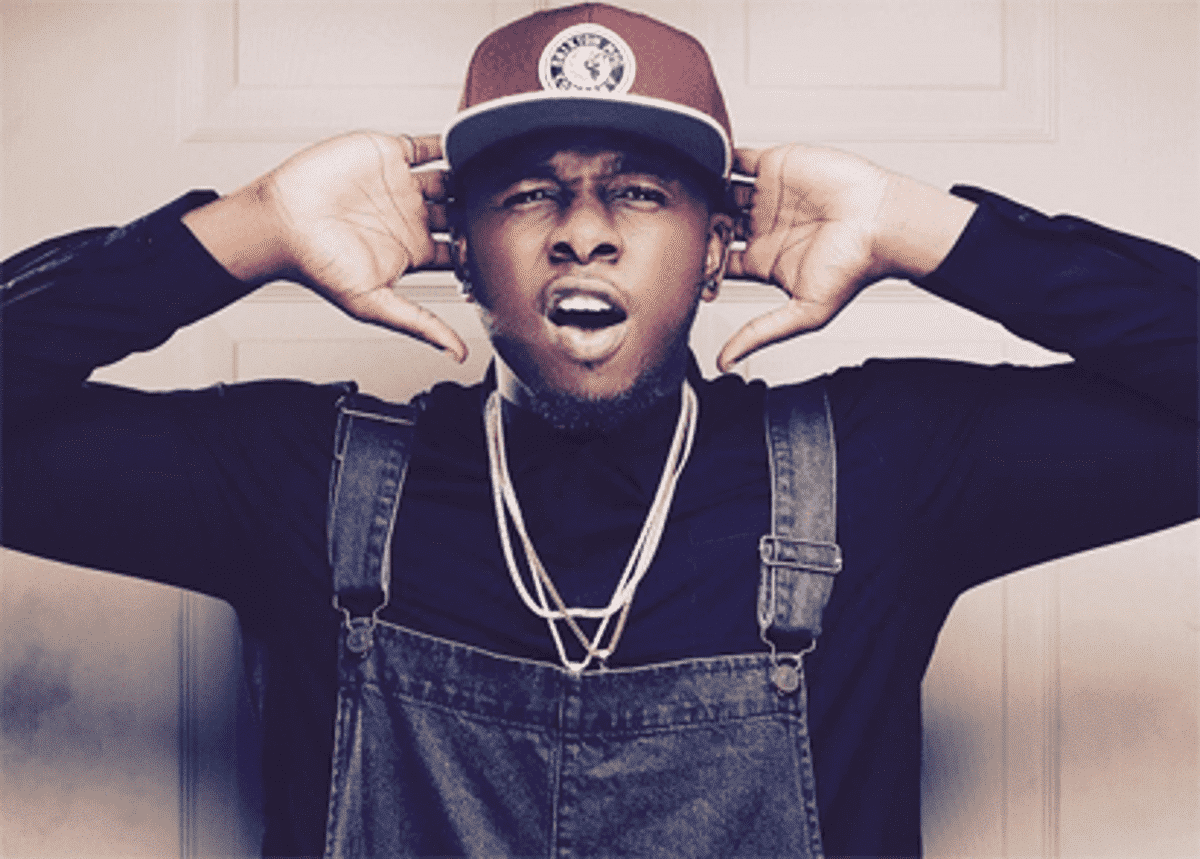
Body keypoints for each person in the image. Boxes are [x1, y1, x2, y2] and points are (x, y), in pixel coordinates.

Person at [2, 3, 1196, 857]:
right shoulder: (304, 484)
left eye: (639, 189)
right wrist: (251, 226)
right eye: (530, 192)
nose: (583, 231)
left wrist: (918, 225)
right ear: (457, 250)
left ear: (719, 246)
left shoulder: (886, 471)